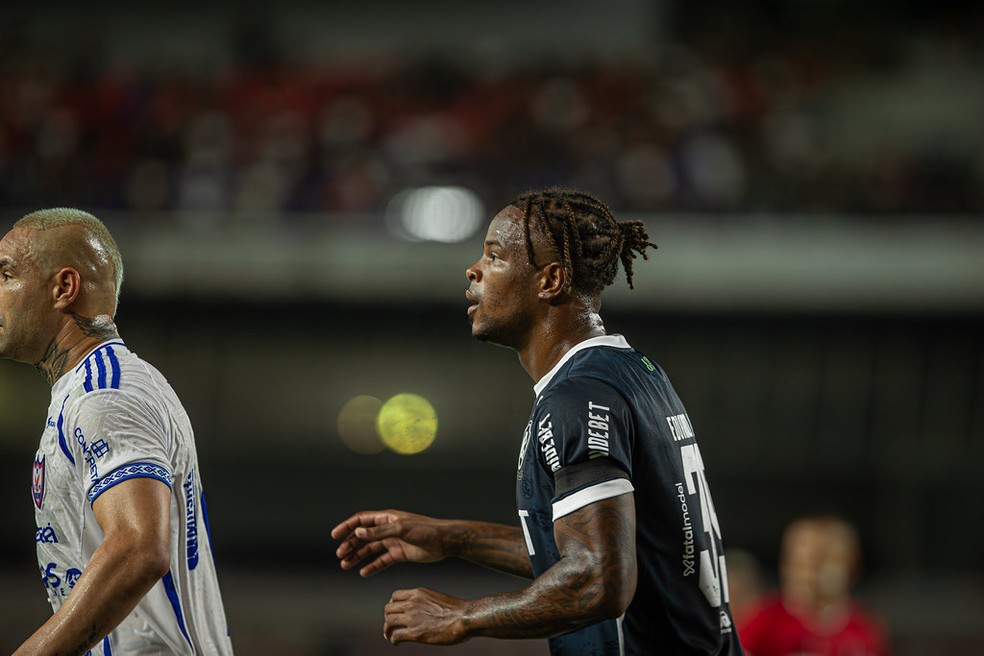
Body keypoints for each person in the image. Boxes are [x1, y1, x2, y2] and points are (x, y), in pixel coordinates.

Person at [332, 187, 744, 655]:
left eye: (494, 256)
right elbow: (598, 551)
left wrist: (461, 616)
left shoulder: (577, 397)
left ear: (550, 281)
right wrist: (452, 538)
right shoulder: (633, 373)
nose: (474, 270)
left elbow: (598, 578)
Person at [0, 208, 234, 655]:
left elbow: (138, 548)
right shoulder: (92, 389)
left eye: (6, 274)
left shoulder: (106, 394)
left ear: (63, 288)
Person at [737, 514, 891, 656]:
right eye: (804, 563)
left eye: (825, 562)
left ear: (852, 568)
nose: (811, 575)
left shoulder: (865, 629)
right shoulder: (763, 624)